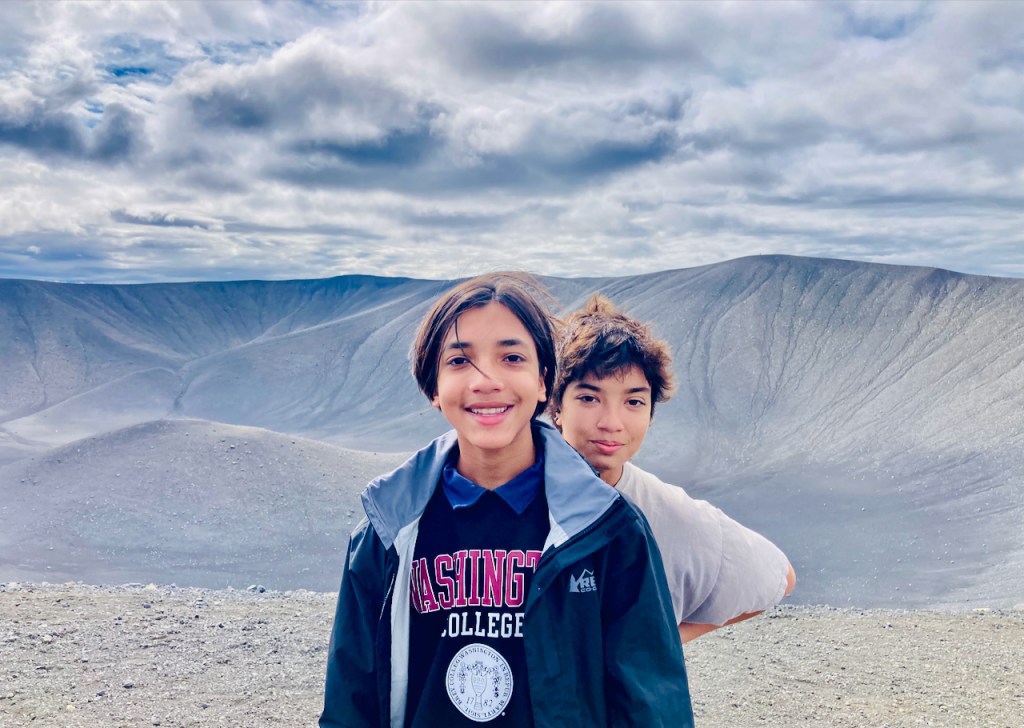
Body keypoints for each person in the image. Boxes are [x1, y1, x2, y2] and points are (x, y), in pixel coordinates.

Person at [320, 273, 693, 728]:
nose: (487, 380)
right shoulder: (387, 531)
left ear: (543, 382)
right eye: (460, 360)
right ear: (434, 387)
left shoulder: (608, 530)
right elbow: (350, 704)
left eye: (512, 357)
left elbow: (651, 704)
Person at [550, 294, 797, 644]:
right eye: (589, 398)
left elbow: (780, 577)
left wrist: (665, 642)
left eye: (634, 401)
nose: (612, 422)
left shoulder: (667, 509)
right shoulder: (510, 492)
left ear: (650, 414)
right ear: (557, 405)